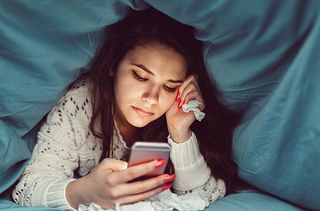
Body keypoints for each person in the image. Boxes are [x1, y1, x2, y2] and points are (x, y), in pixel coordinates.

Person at [12, 8, 239, 210]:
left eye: (169, 87)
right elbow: (28, 188)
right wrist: (84, 191)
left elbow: (205, 195)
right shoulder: (82, 103)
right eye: (140, 76)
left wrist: (180, 133)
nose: (151, 99)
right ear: (113, 65)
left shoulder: (174, 113)